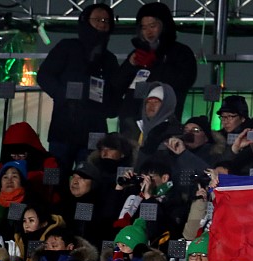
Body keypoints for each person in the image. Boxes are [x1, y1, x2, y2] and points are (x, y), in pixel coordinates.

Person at [37, 3, 120, 171]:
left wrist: (107, 107)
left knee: (89, 177)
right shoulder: (67, 47)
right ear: (86, 21)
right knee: (56, 179)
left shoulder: (109, 59)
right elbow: (44, 76)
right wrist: (64, 94)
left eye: (106, 20)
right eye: (97, 19)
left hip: (94, 133)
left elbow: (114, 94)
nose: (102, 24)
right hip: (63, 128)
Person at [115, 2, 197, 140]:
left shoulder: (180, 52)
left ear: (164, 26)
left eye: (152, 26)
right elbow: (117, 85)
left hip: (163, 123)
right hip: (131, 123)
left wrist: (156, 63)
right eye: (144, 27)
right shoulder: (138, 54)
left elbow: (185, 80)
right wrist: (130, 65)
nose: (148, 32)